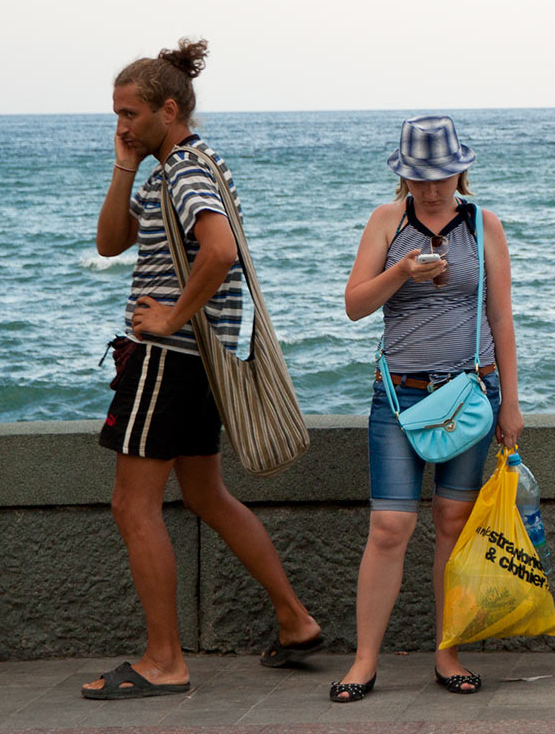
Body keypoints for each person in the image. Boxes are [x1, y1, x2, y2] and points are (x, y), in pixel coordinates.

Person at [83, 39, 322, 700]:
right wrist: (124, 166)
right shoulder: (178, 167)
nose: (121, 125)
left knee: (132, 505)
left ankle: (165, 660)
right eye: (115, 114)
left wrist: (168, 318)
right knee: (206, 495)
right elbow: (109, 243)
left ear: (169, 107)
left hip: (169, 359)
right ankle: (296, 621)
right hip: (199, 363)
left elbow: (217, 252)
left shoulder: (186, 168)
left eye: (130, 114)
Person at [329, 115, 523, 702]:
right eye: (420, 177)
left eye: (442, 176)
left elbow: (502, 316)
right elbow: (354, 306)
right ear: (404, 176)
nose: (433, 188)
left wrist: (511, 404)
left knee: (452, 523)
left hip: (470, 391)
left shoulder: (482, 223)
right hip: (400, 393)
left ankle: (447, 651)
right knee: (390, 525)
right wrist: (401, 270)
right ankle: (364, 661)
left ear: (460, 170)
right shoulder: (388, 221)